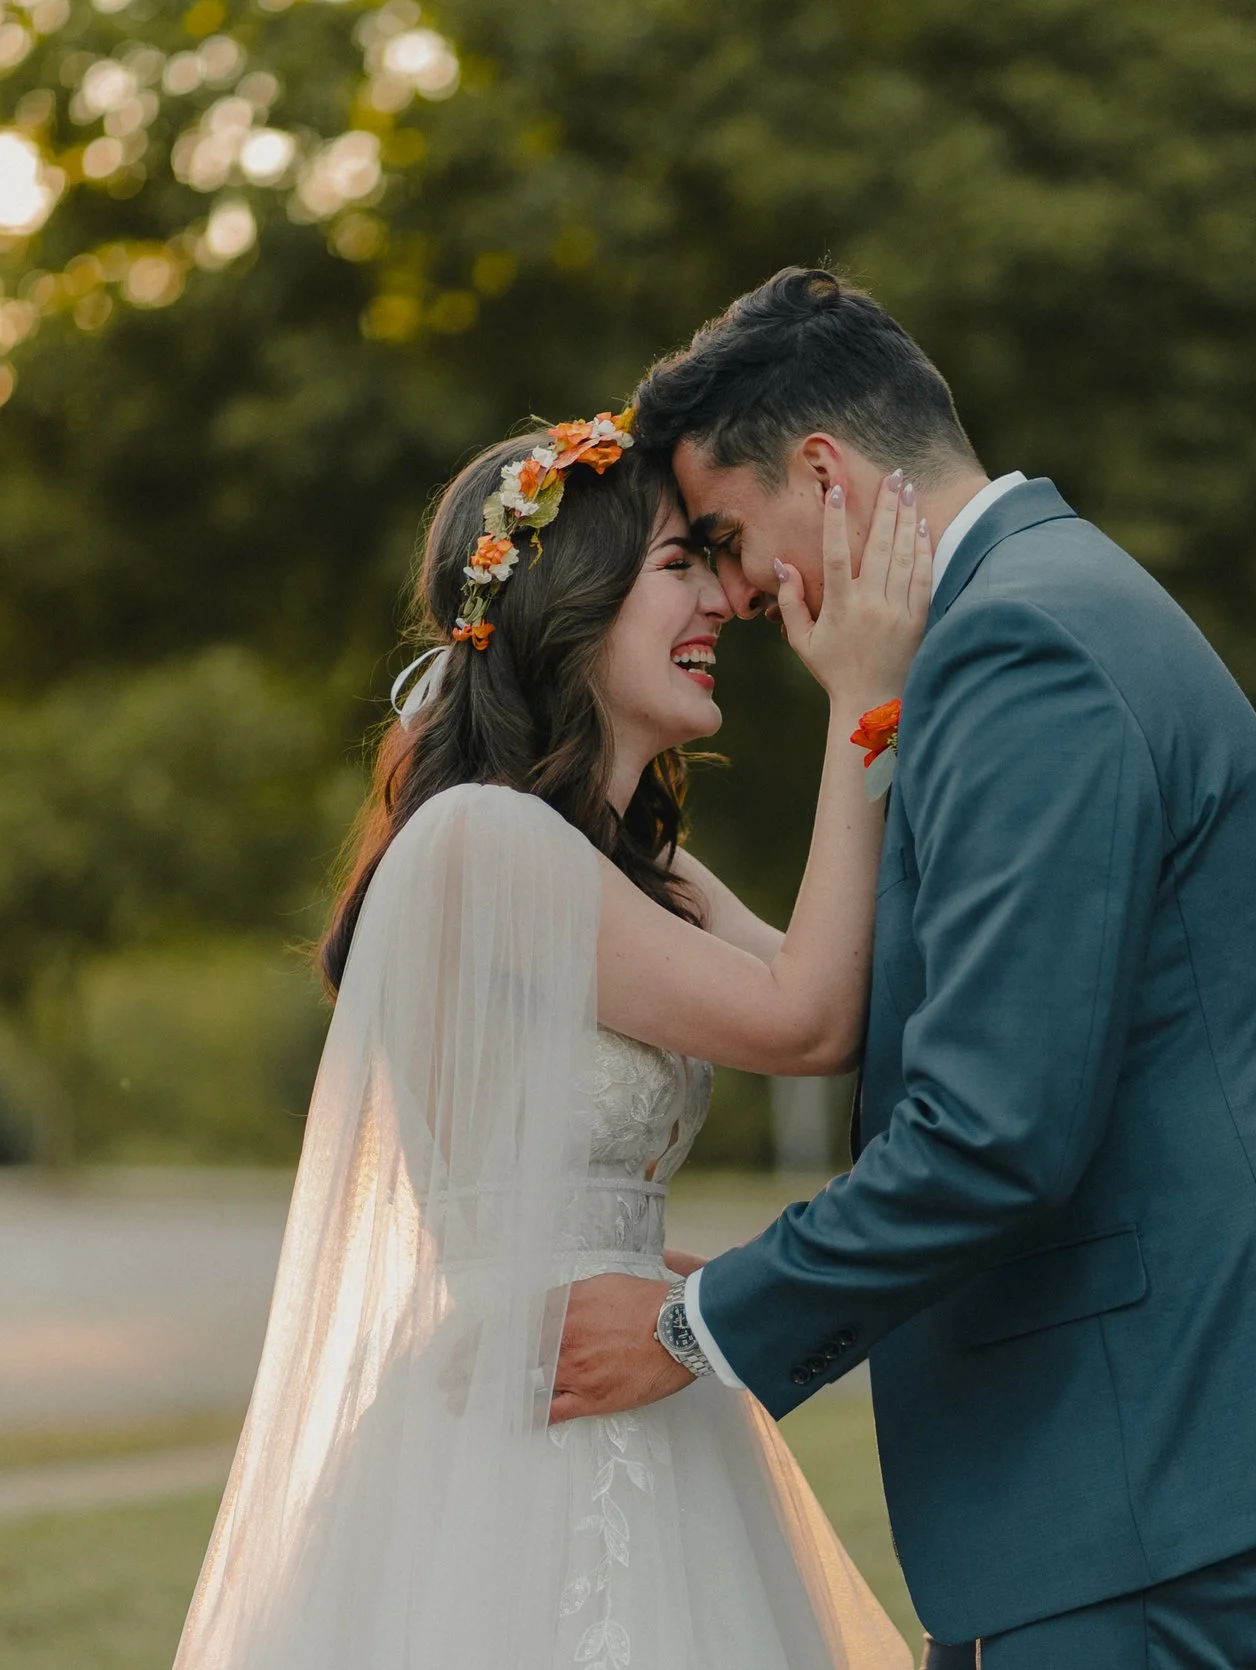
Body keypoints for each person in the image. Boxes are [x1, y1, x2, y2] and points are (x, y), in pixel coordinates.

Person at [550, 269, 1256, 1669]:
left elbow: (994, 1129)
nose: (735, 595)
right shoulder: (1037, 608)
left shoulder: (1017, 645)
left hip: (1153, 1455)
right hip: (1157, 1452)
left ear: (825, 470)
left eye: (729, 541)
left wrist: (693, 1326)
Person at [172, 407, 927, 1668]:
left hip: (636, 1385)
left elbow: (838, 1001)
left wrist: (711, 1294)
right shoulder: (487, 841)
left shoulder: (646, 873)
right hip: (533, 1432)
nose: (721, 606)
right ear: (570, 597)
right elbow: (808, 1018)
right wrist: (865, 699)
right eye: (679, 565)